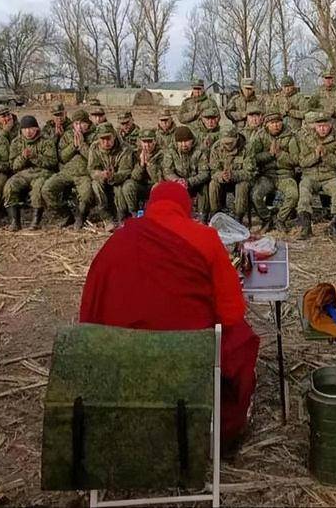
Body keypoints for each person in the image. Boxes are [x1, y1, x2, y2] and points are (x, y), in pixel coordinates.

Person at [79, 181, 260, 449]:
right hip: (188, 359)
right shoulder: (205, 238)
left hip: (124, 362)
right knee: (241, 340)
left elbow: (89, 311)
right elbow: (232, 312)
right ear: (186, 207)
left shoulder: (118, 240)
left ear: (150, 206)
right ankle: (226, 435)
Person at [297, 112, 336, 239]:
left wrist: (326, 155)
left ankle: (335, 226)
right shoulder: (307, 139)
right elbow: (302, 162)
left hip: (331, 176)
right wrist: (315, 155)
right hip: (311, 176)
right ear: (314, 126)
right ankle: (306, 227)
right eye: (319, 126)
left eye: (325, 126)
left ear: (331, 125)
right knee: (304, 191)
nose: (322, 129)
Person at [42, 109, 96, 229]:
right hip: (67, 172)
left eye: (82, 123)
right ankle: (64, 214)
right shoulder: (67, 135)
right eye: (76, 123)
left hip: (84, 174)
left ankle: (81, 217)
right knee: (47, 188)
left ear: (88, 123)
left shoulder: (94, 136)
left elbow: (94, 159)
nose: (79, 126)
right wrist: (73, 146)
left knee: (86, 195)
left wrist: (82, 145)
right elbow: (62, 157)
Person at [4, 115, 58, 231]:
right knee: (10, 185)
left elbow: (52, 162)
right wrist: (23, 157)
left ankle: (36, 221)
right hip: (23, 174)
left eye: (31, 129)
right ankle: (15, 221)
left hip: (42, 172)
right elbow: (13, 166)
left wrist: (34, 157)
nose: (28, 132)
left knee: (38, 189)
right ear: (21, 130)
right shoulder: (16, 142)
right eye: (25, 129)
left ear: (37, 129)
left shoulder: (46, 141)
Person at [250, 112, 300, 233]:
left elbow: (296, 160)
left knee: (293, 195)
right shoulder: (260, 136)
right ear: (266, 125)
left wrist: (280, 155)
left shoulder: (290, 136)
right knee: (255, 195)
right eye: (272, 123)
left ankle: (280, 219)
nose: (276, 125)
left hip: (285, 175)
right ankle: (267, 219)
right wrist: (269, 155)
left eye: (278, 122)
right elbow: (252, 158)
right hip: (267, 175)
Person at [88, 122, 137, 227]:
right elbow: (92, 169)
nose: (106, 142)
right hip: (103, 179)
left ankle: (122, 216)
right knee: (96, 184)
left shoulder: (125, 149)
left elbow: (127, 171)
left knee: (121, 188)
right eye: (103, 139)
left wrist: (113, 176)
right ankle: (106, 217)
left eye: (109, 138)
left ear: (114, 136)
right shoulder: (94, 148)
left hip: (119, 180)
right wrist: (100, 174)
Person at [208, 126, 256, 223]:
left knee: (242, 186)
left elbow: (250, 173)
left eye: (230, 143)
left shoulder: (247, 148)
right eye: (225, 143)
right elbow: (213, 171)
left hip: (239, 180)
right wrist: (221, 176)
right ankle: (216, 214)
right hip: (223, 180)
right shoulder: (216, 147)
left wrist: (233, 175)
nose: (228, 145)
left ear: (237, 138)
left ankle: (239, 218)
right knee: (213, 184)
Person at [162, 126, 210, 220]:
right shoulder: (171, 150)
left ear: (192, 140)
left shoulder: (200, 150)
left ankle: (202, 216)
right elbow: (167, 170)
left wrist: (188, 182)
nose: (184, 144)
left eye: (187, 141)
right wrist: (177, 180)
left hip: (195, 183)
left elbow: (205, 173)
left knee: (204, 187)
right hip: (178, 183)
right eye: (180, 142)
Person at [132, 129, 163, 204]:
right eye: (144, 142)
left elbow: (160, 178)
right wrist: (141, 164)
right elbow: (135, 177)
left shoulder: (162, 154)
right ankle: (133, 212)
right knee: (129, 186)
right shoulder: (137, 154)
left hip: (155, 184)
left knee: (158, 187)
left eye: (150, 142)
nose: (147, 145)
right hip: (142, 185)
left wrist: (149, 164)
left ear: (154, 141)